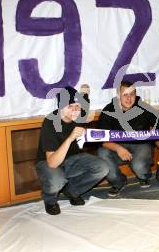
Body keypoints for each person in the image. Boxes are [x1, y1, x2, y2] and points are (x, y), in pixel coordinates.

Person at [35, 86, 109, 215]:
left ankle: (72, 191)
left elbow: (84, 105)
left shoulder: (78, 115)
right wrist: (70, 138)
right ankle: (50, 200)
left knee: (102, 168)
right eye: (70, 106)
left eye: (77, 106)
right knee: (57, 180)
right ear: (61, 107)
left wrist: (85, 93)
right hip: (49, 162)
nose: (75, 110)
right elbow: (52, 163)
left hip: (72, 159)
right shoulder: (50, 122)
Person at [97, 80, 156, 197]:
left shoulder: (145, 107)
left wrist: (154, 128)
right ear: (118, 96)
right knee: (102, 152)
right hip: (118, 148)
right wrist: (118, 148)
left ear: (136, 94)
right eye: (125, 95)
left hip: (141, 145)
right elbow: (100, 138)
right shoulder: (108, 110)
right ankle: (118, 182)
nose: (129, 98)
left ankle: (144, 176)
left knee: (139, 166)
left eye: (132, 94)